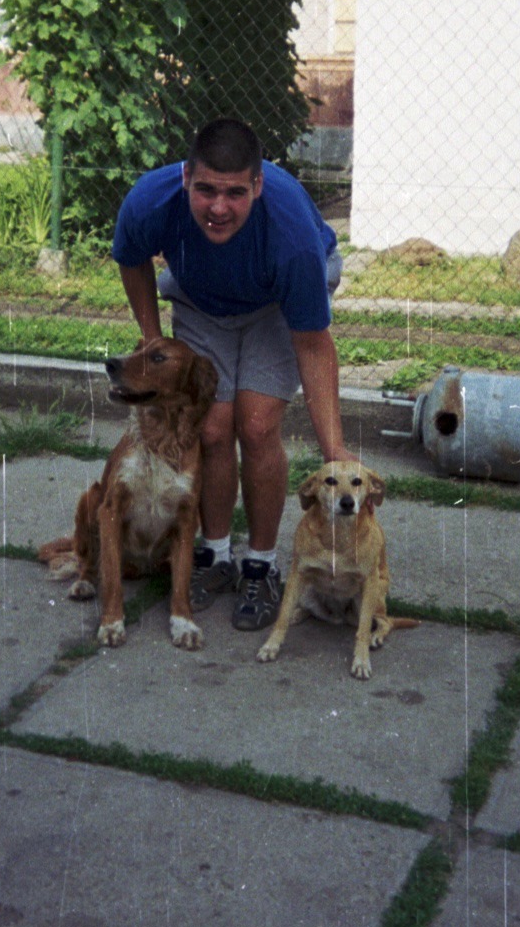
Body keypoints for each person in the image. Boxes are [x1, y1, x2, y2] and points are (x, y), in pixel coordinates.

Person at [111, 116, 348, 631]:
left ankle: (260, 567)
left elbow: (312, 343)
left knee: (257, 424)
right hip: (201, 298)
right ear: (185, 180)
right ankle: (214, 555)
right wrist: (153, 338)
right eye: (207, 191)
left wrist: (335, 450)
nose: (219, 207)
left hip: (274, 303)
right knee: (213, 426)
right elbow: (132, 260)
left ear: (258, 185)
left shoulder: (291, 238)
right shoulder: (149, 201)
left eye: (236, 193)